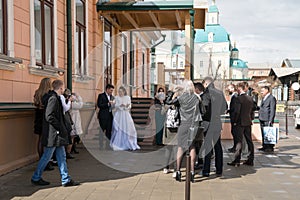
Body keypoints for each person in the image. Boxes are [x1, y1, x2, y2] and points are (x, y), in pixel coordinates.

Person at [31, 80, 79, 187]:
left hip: (56, 133)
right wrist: (59, 127)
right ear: (61, 88)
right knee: (47, 156)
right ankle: (36, 177)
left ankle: (65, 179)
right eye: (63, 88)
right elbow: (49, 116)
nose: (63, 90)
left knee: (61, 156)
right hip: (54, 133)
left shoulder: (53, 97)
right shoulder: (53, 98)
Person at [166, 80, 202, 182]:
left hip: (184, 123)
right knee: (192, 147)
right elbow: (203, 111)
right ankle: (192, 172)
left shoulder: (181, 98)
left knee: (181, 147)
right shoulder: (197, 98)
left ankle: (178, 171)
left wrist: (172, 91)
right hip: (194, 124)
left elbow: (168, 102)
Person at [200, 77, 227, 177]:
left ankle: (206, 170)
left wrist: (203, 117)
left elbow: (205, 109)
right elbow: (225, 108)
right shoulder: (220, 93)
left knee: (207, 146)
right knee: (218, 146)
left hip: (208, 123)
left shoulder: (206, 94)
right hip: (217, 122)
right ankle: (219, 168)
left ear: (206, 84)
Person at [227, 82, 255, 167]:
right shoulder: (250, 98)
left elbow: (237, 111)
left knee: (238, 142)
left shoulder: (238, 99)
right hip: (248, 122)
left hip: (239, 123)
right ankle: (250, 159)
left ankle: (237, 160)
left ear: (240, 88)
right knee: (249, 141)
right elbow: (252, 110)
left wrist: (234, 121)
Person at [110, 86, 140, 151]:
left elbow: (130, 105)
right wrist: (120, 106)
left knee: (128, 127)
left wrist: (126, 106)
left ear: (124, 91)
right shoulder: (117, 97)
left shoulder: (128, 97)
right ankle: (118, 143)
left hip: (126, 114)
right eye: (119, 92)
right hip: (119, 114)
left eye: (121, 92)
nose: (120, 93)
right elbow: (115, 105)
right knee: (118, 127)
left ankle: (128, 142)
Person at [33, 77, 53, 171]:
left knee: (40, 140)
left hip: (38, 118)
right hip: (46, 119)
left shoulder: (37, 93)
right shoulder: (49, 94)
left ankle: (41, 159)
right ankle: (45, 162)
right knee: (46, 141)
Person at [258, 86, 277, 152]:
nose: (261, 92)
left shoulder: (271, 98)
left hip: (267, 119)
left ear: (267, 90)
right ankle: (264, 146)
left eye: (262, 90)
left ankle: (270, 147)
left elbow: (272, 110)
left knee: (269, 133)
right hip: (262, 118)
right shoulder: (264, 98)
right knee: (263, 133)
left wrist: (271, 120)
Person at [226, 83, 239, 153]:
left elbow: (235, 108)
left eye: (230, 88)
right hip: (233, 117)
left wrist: (230, 110)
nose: (228, 90)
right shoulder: (233, 96)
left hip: (234, 118)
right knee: (233, 132)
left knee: (235, 133)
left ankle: (235, 147)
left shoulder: (235, 96)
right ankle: (234, 146)